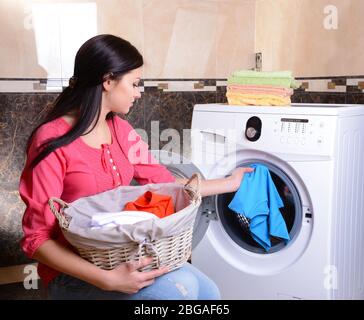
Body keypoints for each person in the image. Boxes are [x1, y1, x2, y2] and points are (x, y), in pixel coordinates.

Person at [19, 34, 253, 300]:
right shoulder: (50, 140)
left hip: (123, 257)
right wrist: (108, 280)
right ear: (107, 81)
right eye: (134, 84)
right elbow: (36, 240)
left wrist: (231, 183)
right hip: (75, 276)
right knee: (178, 289)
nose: (138, 93)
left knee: (210, 292)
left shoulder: (120, 129)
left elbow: (166, 183)